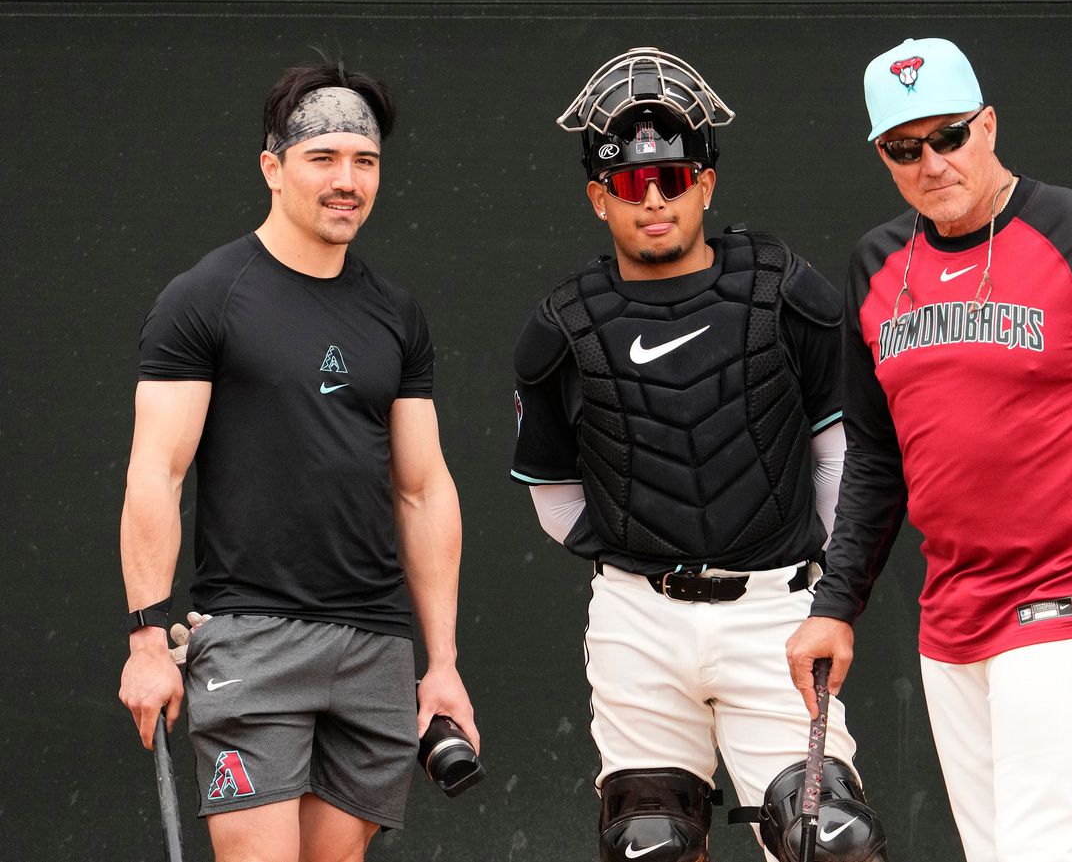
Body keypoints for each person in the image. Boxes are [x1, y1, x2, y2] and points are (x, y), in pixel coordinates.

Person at [786, 37, 1072, 862]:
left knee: (1045, 849)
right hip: (954, 616)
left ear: (988, 125)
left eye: (948, 135)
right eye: (904, 148)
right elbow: (875, 456)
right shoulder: (878, 265)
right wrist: (836, 604)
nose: (932, 162)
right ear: (883, 156)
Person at [511, 47, 888, 862]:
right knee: (650, 842)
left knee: (830, 841)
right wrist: (637, 559)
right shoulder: (563, 327)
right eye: (628, 184)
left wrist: (809, 577)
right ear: (597, 197)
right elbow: (553, 497)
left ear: (706, 185)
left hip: (775, 609)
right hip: (637, 620)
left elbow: (841, 459)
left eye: (674, 179)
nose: (653, 199)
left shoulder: (782, 288)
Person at [116, 60, 477, 862]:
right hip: (251, 639)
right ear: (273, 167)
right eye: (324, 158)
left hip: (375, 646)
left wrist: (442, 663)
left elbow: (422, 490)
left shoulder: (396, 312)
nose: (347, 180)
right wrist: (147, 638)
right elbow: (157, 473)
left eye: (365, 160)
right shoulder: (205, 297)